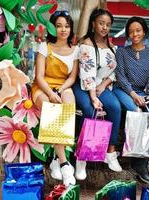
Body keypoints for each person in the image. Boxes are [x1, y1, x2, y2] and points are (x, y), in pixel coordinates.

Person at [72, 8, 122, 181]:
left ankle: (110, 152)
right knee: (88, 110)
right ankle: (81, 159)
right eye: (101, 23)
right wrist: (93, 96)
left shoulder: (111, 47)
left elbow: (115, 72)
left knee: (115, 107)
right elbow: (87, 73)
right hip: (83, 86)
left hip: (101, 86)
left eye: (108, 25)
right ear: (93, 23)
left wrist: (104, 85)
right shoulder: (85, 44)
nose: (104, 27)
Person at [32, 10, 79, 187]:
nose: (63, 29)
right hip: (43, 87)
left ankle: (54, 158)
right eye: (59, 26)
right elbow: (39, 77)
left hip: (62, 85)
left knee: (68, 104)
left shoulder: (75, 50)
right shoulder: (45, 47)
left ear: (71, 28)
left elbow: (72, 77)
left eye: (67, 26)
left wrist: (60, 90)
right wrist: (51, 94)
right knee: (50, 107)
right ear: (53, 28)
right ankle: (64, 162)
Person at [113, 16, 149, 185]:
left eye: (138, 30)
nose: (134, 34)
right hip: (123, 90)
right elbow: (120, 76)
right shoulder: (122, 52)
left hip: (142, 92)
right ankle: (132, 154)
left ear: (144, 32)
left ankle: (140, 163)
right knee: (135, 111)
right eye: (131, 31)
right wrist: (133, 94)